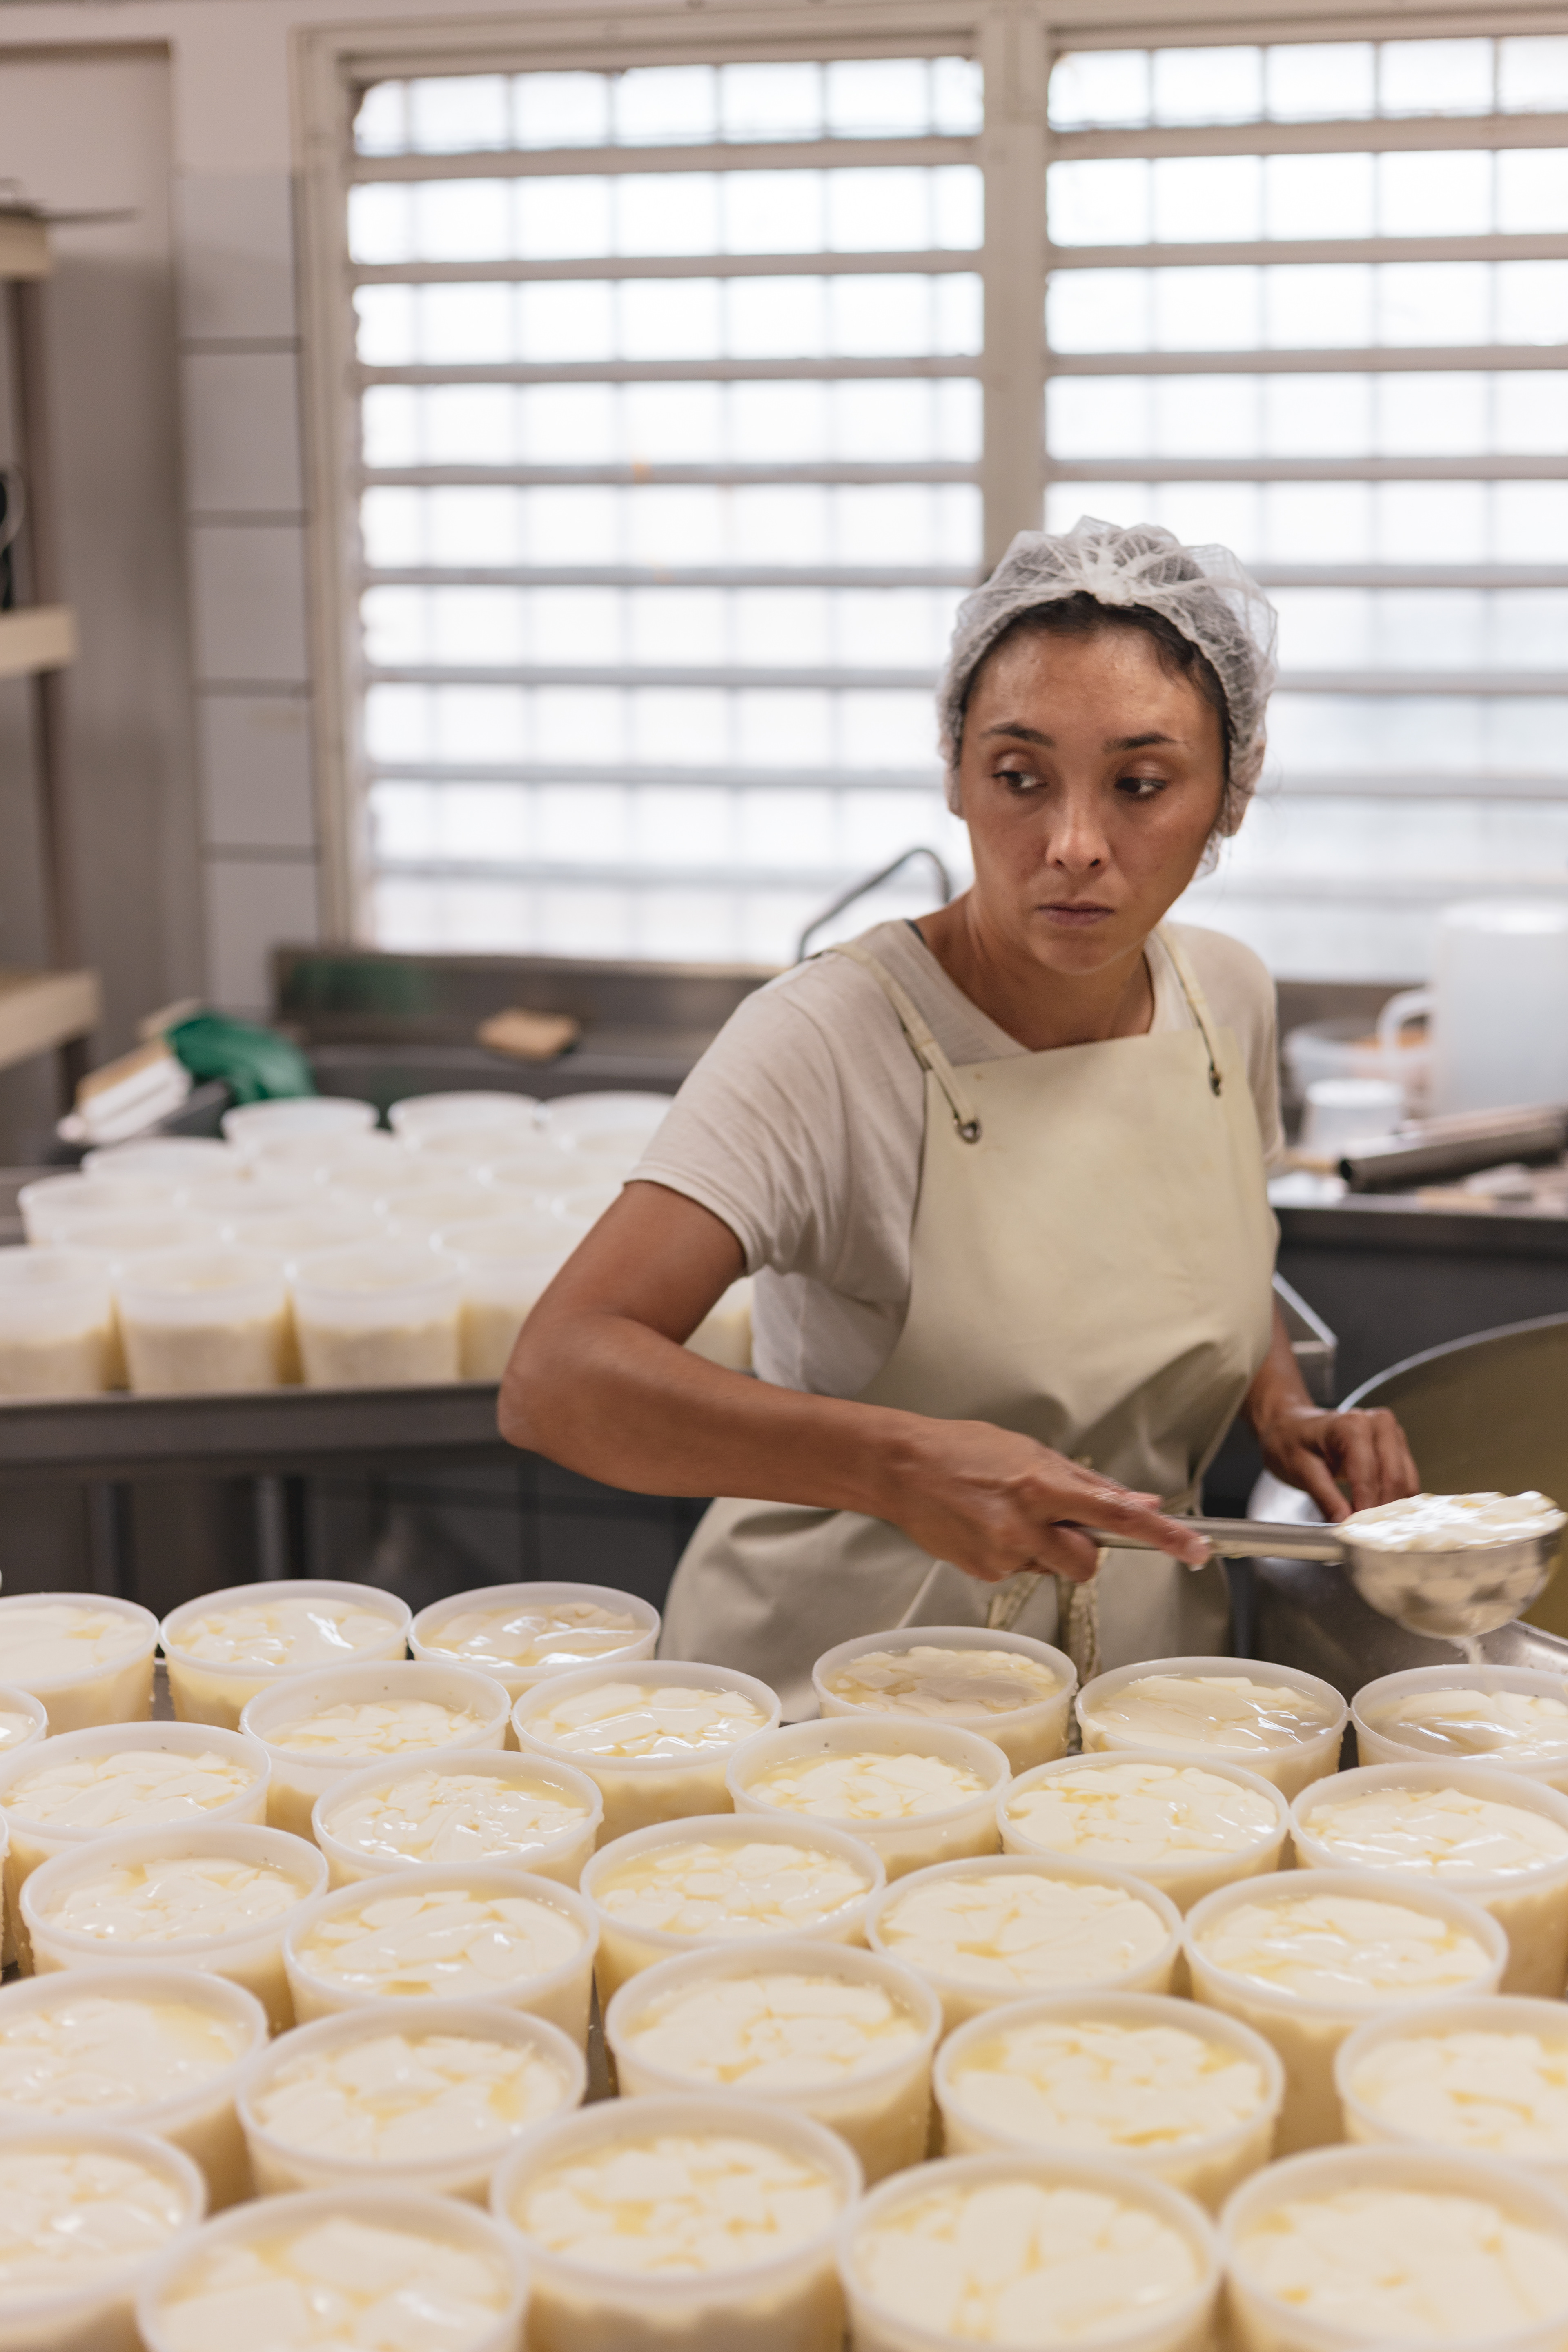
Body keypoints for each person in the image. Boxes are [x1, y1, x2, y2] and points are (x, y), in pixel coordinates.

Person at [500, 518, 1419, 1715]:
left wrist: (1282, 1404)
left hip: (1135, 1710)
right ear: (955, 772)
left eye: (1141, 786)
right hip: (835, 1712)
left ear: (1229, 796)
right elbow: (559, 1377)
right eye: (1020, 778)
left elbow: (1189, 1257)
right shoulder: (827, 1040)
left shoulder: (1223, 999)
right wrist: (896, 1464)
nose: (1074, 846)